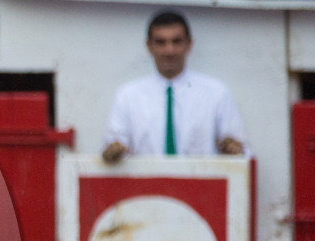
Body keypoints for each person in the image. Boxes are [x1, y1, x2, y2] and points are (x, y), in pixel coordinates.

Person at [102, 11, 247, 163]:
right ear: (149, 46)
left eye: (176, 41)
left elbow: (241, 154)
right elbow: (112, 150)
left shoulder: (217, 93)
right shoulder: (128, 95)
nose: (169, 50)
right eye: (161, 42)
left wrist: (233, 149)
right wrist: (114, 151)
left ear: (189, 44)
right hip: (145, 185)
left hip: (200, 184)